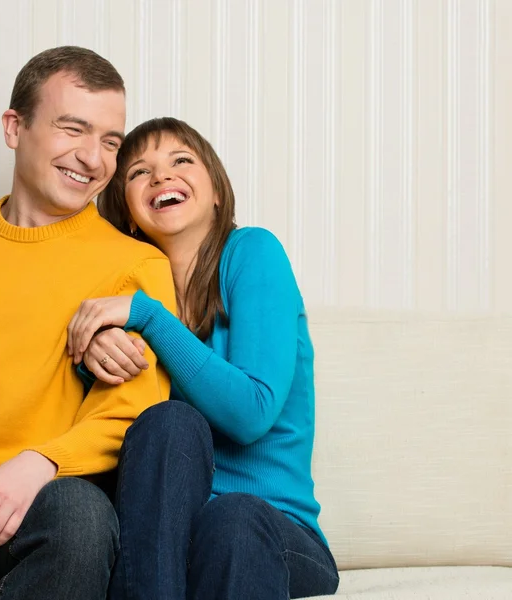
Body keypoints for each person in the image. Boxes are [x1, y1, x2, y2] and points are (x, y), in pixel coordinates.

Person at [0, 47, 175, 600]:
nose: (92, 158)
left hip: (28, 508)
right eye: (72, 129)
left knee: (81, 513)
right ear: (15, 127)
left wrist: (40, 462)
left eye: (110, 141)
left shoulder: (134, 266)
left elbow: (132, 412)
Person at [67, 117, 339, 600]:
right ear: (127, 212)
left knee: (231, 516)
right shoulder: (125, 292)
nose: (161, 177)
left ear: (215, 191)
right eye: (138, 173)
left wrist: (148, 318)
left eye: (181, 161)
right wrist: (89, 353)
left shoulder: (252, 253)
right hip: (162, 546)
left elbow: (251, 413)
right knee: (167, 423)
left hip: (270, 532)